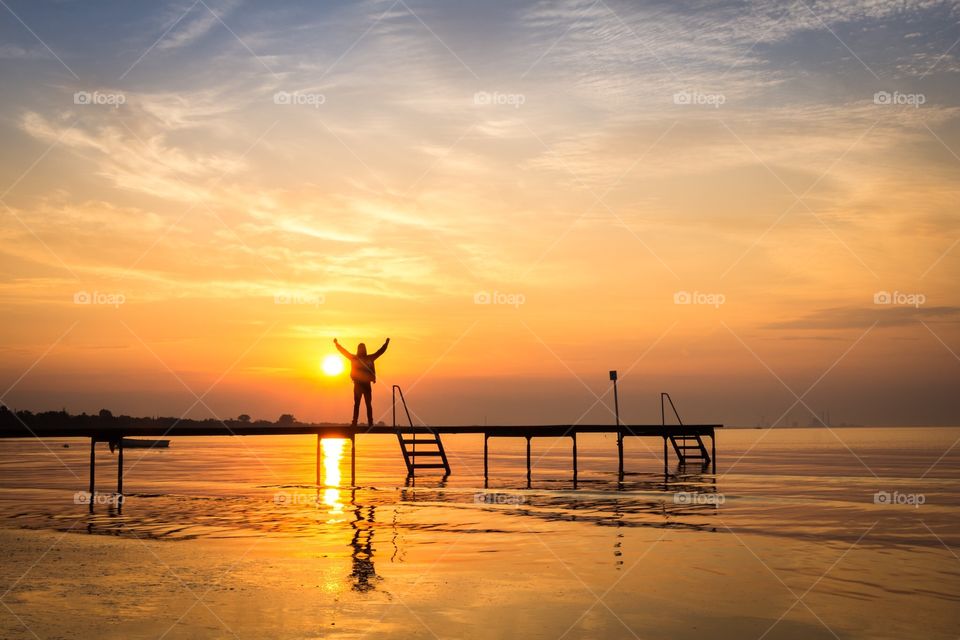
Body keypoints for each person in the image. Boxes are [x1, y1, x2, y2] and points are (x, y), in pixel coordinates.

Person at [334, 337, 390, 427]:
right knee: (358, 404)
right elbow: (344, 352)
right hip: (358, 384)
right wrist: (337, 344)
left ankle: (368, 423)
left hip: (365, 385)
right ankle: (356, 422)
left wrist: (386, 343)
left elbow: (380, 352)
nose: (361, 350)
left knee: (367, 404)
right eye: (361, 349)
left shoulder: (366, 358)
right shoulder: (356, 358)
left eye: (362, 348)